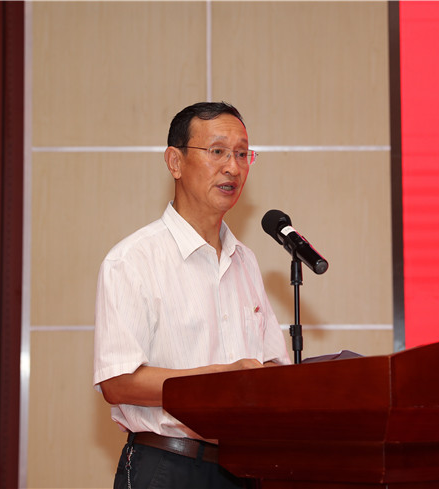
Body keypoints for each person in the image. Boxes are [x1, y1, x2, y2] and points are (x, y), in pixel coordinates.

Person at [93, 101, 291, 489]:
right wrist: (219, 380)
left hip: (245, 469)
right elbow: (118, 382)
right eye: (217, 151)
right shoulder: (132, 260)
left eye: (242, 154)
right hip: (167, 465)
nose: (233, 167)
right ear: (175, 162)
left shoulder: (246, 261)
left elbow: (270, 366)